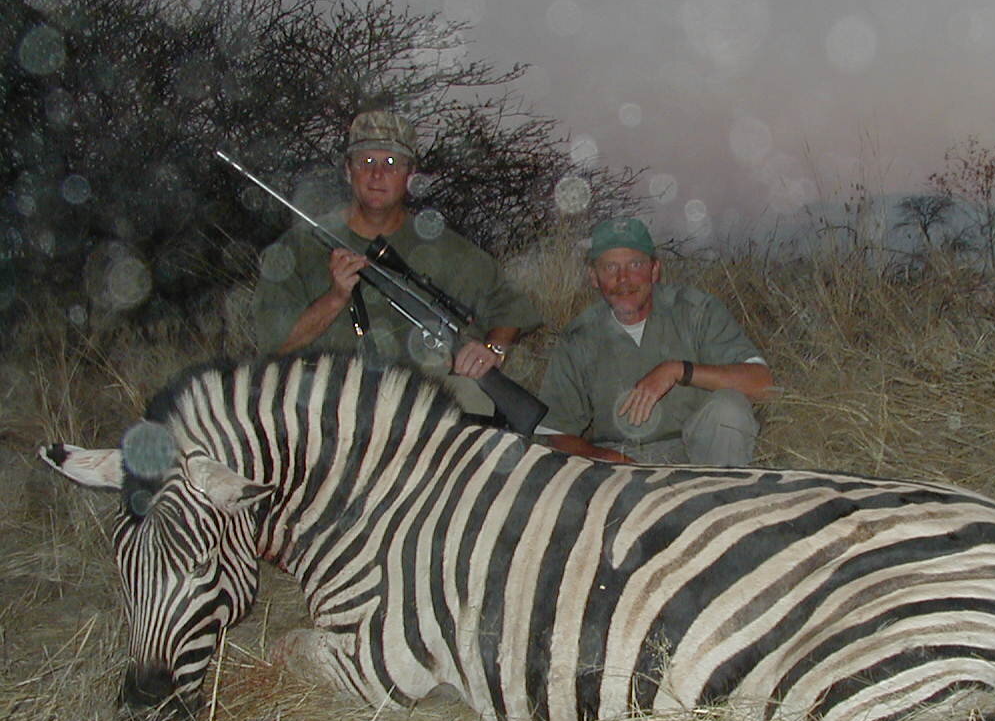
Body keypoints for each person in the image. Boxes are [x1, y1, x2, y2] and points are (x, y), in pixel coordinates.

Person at [252, 110, 541, 415]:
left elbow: (512, 307)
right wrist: (334, 299)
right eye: (366, 162)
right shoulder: (298, 246)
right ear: (348, 171)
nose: (377, 174)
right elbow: (275, 346)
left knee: (471, 398)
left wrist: (491, 350)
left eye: (391, 163)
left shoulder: (445, 246)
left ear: (410, 176)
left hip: (418, 411)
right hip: (326, 408)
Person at [538, 217, 774, 465]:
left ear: (654, 270)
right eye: (610, 268)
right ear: (594, 277)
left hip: (695, 453)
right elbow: (556, 433)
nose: (623, 279)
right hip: (617, 460)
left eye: (635, 264)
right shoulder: (578, 336)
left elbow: (762, 383)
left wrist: (678, 370)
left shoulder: (697, 311)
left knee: (729, 409)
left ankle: (725, 495)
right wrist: (606, 458)